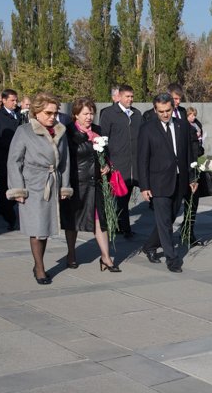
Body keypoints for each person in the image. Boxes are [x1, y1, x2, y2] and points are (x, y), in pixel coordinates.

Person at [6, 93, 73, 284]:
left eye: (55, 113)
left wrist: (64, 187)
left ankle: (38, 264)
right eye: (48, 113)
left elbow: (65, 161)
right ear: (36, 112)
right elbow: (14, 160)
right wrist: (18, 188)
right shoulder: (24, 131)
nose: (52, 117)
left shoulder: (61, 131)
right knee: (36, 228)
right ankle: (40, 268)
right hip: (33, 184)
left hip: (53, 183)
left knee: (45, 228)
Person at [136, 93, 198, 273]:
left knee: (169, 218)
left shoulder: (182, 125)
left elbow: (189, 153)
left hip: (180, 180)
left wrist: (193, 177)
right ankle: (172, 258)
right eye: (161, 111)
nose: (165, 114)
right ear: (155, 110)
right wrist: (145, 186)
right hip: (158, 182)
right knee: (165, 222)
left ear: (173, 108)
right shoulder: (147, 129)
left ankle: (149, 246)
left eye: (168, 110)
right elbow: (142, 159)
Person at [60, 98, 118, 272]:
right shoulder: (69, 132)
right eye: (85, 113)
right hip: (78, 184)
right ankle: (71, 254)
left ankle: (106, 258)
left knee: (101, 221)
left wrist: (107, 165)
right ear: (75, 115)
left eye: (91, 113)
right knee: (73, 222)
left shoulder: (98, 130)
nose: (89, 117)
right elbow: (66, 159)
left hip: (97, 184)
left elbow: (107, 153)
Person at [99, 83, 142, 237]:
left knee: (126, 197)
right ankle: (120, 227)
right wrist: (105, 162)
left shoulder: (137, 114)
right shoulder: (109, 113)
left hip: (133, 165)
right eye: (127, 96)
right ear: (120, 96)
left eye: (132, 96)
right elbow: (103, 138)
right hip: (116, 164)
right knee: (118, 198)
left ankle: (121, 226)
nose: (130, 99)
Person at [0, 89, 22, 229]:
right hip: (6, 158)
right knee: (5, 186)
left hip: (21, 158)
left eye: (16, 100)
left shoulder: (20, 114)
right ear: (4, 100)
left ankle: (10, 210)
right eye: (12, 100)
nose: (15, 103)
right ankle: (9, 216)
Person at [182, 106, 206, 246]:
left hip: (194, 166)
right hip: (184, 168)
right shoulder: (184, 127)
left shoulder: (196, 126)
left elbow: (198, 147)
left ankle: (188, 232)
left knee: (192, 202)